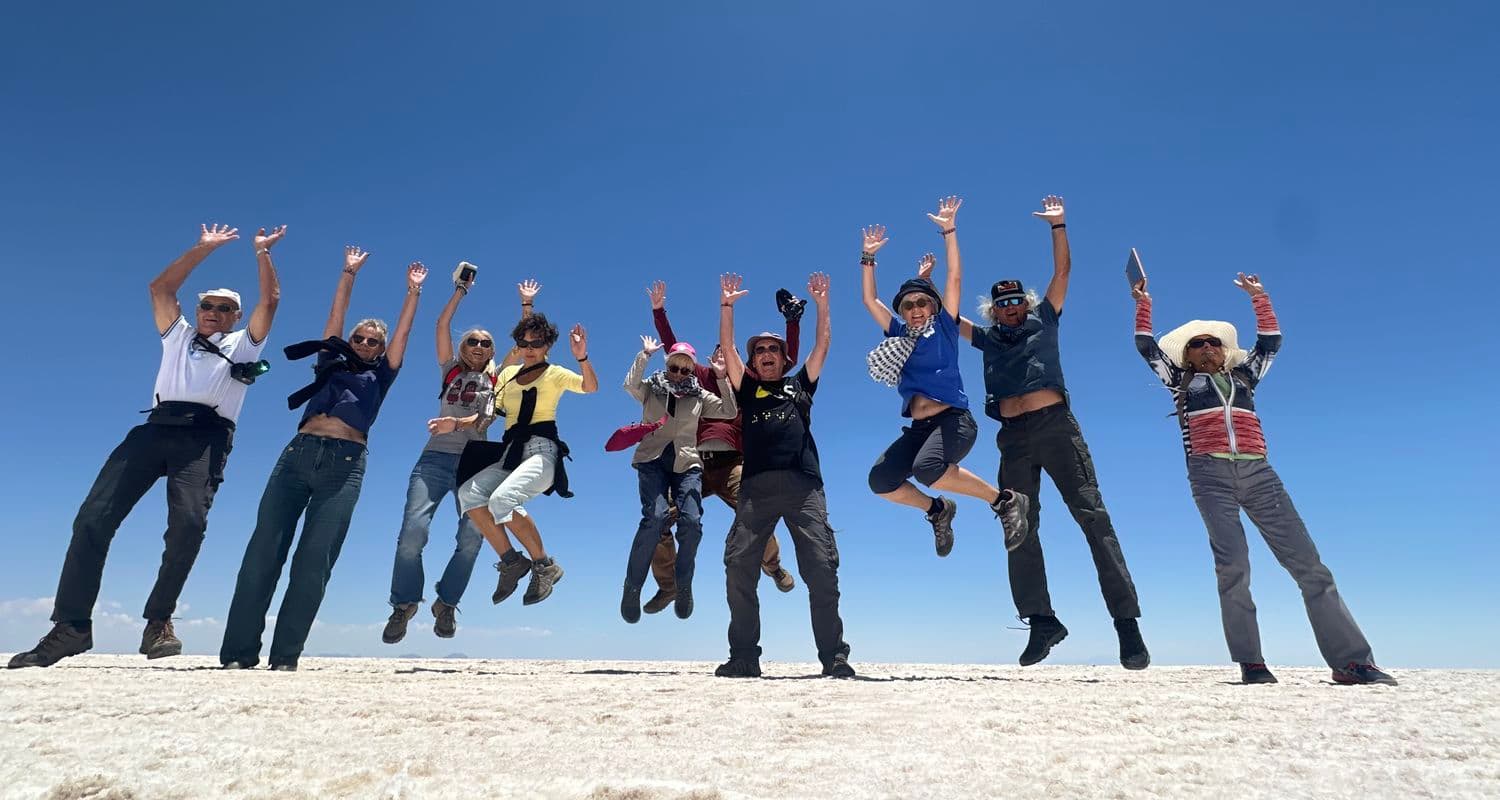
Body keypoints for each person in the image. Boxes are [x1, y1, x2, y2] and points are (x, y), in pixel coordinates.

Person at [8, 224, 284, 669]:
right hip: (154, 429)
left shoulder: (243, 346)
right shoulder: (178, 336)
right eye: (208, 305)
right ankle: (71, 627)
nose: (214, 312)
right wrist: (203, 248)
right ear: (199, 311)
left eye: (225, 308)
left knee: (188, 525)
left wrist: (262, 254)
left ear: (235, 316)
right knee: (92, 519)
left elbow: (269, 302)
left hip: (206, 439)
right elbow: (161, 287)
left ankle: (158, 622)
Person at [1131, 272, 1396, 686]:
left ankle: (1352, 662)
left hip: (1260, 473)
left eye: (1212, 342)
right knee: (1233, 566)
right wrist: (1142, 303)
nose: (1205, 348)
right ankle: (1252, 663)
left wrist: (1260, 298)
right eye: (1196, 344)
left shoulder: (1245, 377)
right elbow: (1145, 346)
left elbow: (1270, 342)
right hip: (1209, 475)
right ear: (1187, 355)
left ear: (1223, 351)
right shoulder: (1180, 383)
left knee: (1310, 565)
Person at [958, 196, 1148, 670]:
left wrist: (1058, 225)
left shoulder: (1046, 319)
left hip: (1057, 427)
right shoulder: (985, 339)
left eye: (1016, 300)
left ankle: (1127, 626)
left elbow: (1062, 273)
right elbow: (942, 315)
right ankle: (1041, 620)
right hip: (1012, 437)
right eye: (1001, 303)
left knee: (1093, 517)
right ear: (993, 310)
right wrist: (947, 241)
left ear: (1027, 302)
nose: (1010, 307)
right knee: (1018, 522)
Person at [220, 247, 424, 671]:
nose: (365, 344)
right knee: (263, 553)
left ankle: (285, 657)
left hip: (345, 467)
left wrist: (413, 293)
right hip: (296, 457)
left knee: (314, 562)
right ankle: (239, 654)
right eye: (359, 338)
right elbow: (335, 317)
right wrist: (348, 274)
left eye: (373, 341)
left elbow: (402, 336)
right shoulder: (330, 359)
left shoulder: (382, 374)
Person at [859, 197, 1030, 558]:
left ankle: (1004, 502)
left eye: (922, 303)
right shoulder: (897, 336)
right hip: (920, 430)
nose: (916, 309)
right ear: (902, 312)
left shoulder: (945, 329)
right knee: (881, 481)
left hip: (954, 421)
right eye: (908, 305)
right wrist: (868, 257)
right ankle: (937, 510)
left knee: (928, 469)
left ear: (933, 307)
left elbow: (954, 277)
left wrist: (949, 230)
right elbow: (870, 300)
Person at [382, 275, 541, 644]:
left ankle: (447, 604)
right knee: (412, 533)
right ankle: (404, 604)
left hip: (475, 463)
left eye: (486, 343)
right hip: (434, 459)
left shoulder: (499, 377)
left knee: (472, 538)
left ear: (491, 351)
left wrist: (526, 304)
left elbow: (524, 344)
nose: (479, 346)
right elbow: (441, 324)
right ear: (462, 346)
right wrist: (460, 289)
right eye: (472, 341)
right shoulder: (449, 369)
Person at [715, 271, 853, 679]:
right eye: (760, 351)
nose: (768, 353)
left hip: (803, 487)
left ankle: (834, 657)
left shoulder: (800, 387)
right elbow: (727, 346)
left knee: (821, 569)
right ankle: (743, 657)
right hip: (756, 489)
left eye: (774, 348)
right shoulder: (746, 389)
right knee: (739, 564)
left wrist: (823, 304)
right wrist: (727, 306)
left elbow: (822, 344)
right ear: (754, 360)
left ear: (783, 357)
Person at [643, 280, 797, 614]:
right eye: (717, 354)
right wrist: (658, 311)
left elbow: (789, 361)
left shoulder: (748, 386)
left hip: (732, 465)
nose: (721, 359)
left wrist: (792, 321)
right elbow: (673, 349)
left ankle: (772, 565)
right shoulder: (700, 379)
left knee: (757, 511)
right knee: (655, 520)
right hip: (694, 466)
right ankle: (668, 586)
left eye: (728, 355)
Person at [432, 312, 597, 606]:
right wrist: (455, 424)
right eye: (524, 342)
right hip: (511, 454)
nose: (530, 347)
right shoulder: (507, 376)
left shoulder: (555, 373)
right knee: (469, 494)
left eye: (538, 342)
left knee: (501, 500)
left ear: (548, 345)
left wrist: (582, 359)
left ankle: (544, 566)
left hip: (542, 451)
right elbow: (488, 414)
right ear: (517, 346)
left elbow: (590, 387)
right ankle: (512, 562)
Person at [619, 336, 737, 622]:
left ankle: (684, 585)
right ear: (668, 364)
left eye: (687, 370)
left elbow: (729, 411)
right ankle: (632, 587)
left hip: (686, 463)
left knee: (692, 523)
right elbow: (630, 385)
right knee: (655, 518)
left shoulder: (698, 396)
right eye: (675, 368)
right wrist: (644, 355)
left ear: (692, 371)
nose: (680, 374)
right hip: (653, 460)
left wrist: (721, 377)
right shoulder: (651, 388)